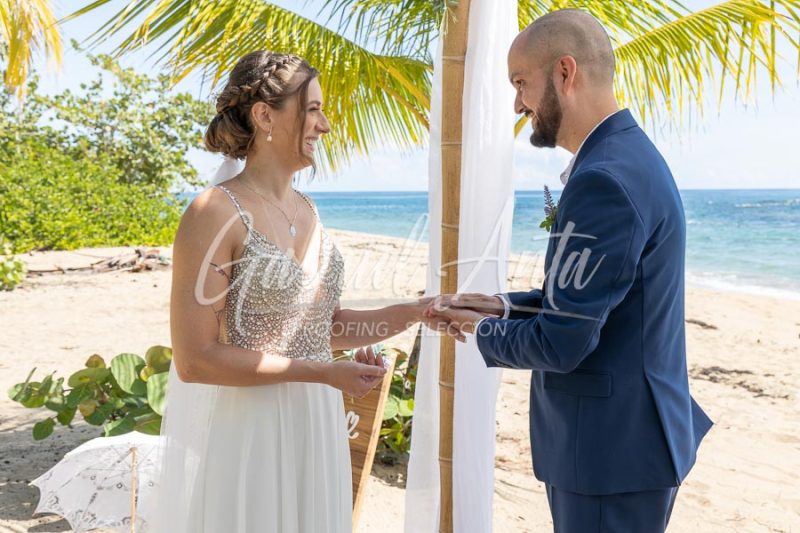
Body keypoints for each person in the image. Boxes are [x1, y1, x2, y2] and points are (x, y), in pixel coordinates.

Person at [425, 9, 712, 533]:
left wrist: (477, 330)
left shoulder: (605, 178)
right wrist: (502, 305)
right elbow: (591, 301)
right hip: (624, 443)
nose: (517, 104)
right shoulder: (623, 157)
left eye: (520, 83)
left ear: (564, 72)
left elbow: (562, 343)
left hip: (610, 452)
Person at [148, 50, 448, 533]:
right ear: (265, 115)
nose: (325, 126)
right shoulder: (213, 212)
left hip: (317, 424)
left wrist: (414, 311)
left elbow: (317, 326)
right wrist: (324, 373)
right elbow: (195, 359)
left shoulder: (308, 211)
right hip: (252, 430)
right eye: (313, 110)